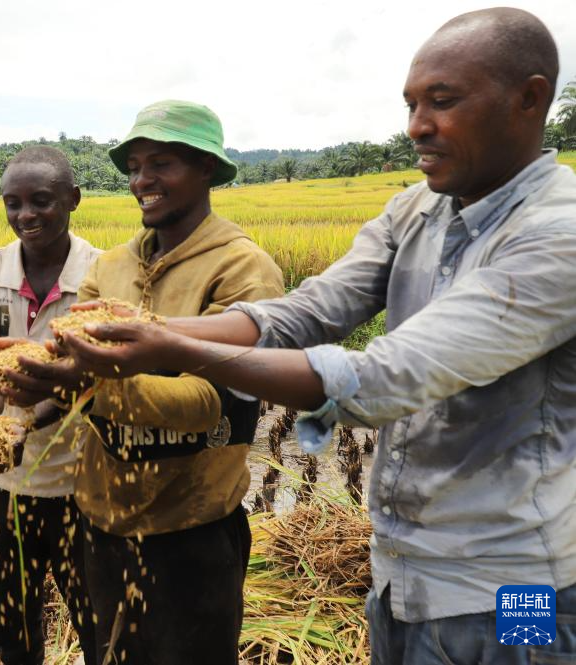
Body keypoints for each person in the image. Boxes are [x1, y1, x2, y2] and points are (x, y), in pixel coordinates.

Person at [57, 9, 576, 665]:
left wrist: (170, 347)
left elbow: (388, 375)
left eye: (442, 102)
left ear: (529, 99)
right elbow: (305, 311)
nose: (417, 125)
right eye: (412, 103)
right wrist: (145, 331)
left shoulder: (558, 235)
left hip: (513, 588)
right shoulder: (414, 210)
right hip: (403, 575)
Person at [0, 101, 284, 664]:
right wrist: (36, 383)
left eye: (161, 164)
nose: (142, 181)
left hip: (190, 530)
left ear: (206, 170)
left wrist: (83, 383)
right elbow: (73, 355)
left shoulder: (242, 269)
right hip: (102, 522)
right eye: (134, 167)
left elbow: (212, 407)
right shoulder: (114, 266)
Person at [0, 146, 100, 664]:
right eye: (12, 203)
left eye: (41, 201)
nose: (25, 216)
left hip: (81, 483)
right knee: (12, 620)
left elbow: (90, 379)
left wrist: (28, 428)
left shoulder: (101, 277)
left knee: (95, 618)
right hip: (6, 488)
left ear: (73, 200)